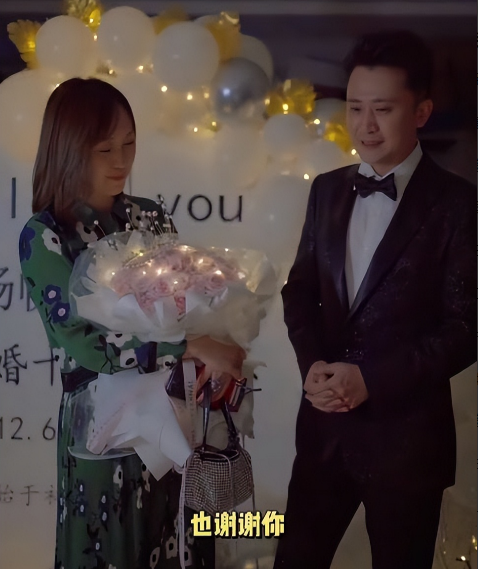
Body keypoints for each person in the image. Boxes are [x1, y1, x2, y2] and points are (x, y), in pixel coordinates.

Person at [19, 77, 245, 569]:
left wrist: (214, 344)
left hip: (176, 411)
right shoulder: (46, 235)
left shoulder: (150, 217)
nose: (121, 161)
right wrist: (189, 345)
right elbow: (85, 343)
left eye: (129, 144)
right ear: (68, 150)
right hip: (104, 428)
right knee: (112, 547)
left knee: (181, 533)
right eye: (104, 149)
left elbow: (186, 298)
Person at [274, 31, 476, 569]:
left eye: (382, 109)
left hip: (408, 445)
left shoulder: (459, 204)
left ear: (422, 112)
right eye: (355, 107)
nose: (365, 125)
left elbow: (465, 328)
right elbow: (299, 291)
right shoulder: (326, 189)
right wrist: (311, 365)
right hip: (323, 436)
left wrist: (373, 380)